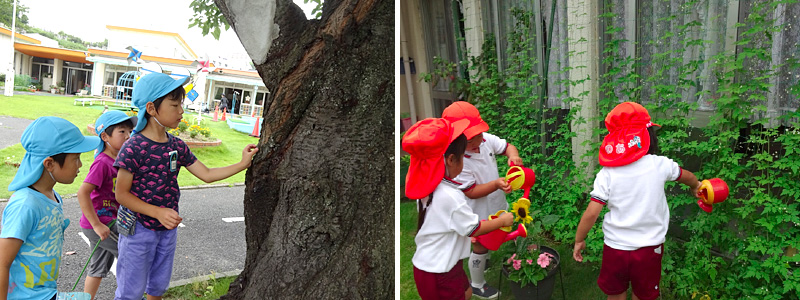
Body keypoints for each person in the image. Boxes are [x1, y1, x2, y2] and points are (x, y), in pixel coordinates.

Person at [113, 73, 258, 300]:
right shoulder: (133, 147)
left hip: (167, 231)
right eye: (175, 104)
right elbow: (121, 194)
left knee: (157, 286)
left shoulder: (177, 146)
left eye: (181, 104)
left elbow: (207, 174)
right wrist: (157, 212)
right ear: (151, 108)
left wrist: (242, 164)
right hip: (138, 231)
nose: (181, 110)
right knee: (129, 292)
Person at [572, 102, 702, 300]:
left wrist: (579, 239)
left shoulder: (608, 173)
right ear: (648, 137)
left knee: (616, 293)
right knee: (643, 296)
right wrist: (696, 186)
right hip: (650, 249)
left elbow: (592, 212)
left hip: (615, 248)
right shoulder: (659, 165)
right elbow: (686, 176)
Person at [402, 118, 514, 300]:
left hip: (435, 265)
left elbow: (449, 223)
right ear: (451, 160)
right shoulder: (450, 196)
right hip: (441, 271)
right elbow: (474, 228)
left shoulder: (428, 186)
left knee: (466, 292)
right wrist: (502, 221)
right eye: (462, 157)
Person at [0, 117, 100, 300]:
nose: (80, 165)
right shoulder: (25, 205)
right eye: (76, 158)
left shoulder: (53, 196)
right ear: (49, 164)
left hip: (45, 291)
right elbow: (2, 263)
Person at [442, 101, 522, 299]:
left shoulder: (485, 140)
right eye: (471, 139)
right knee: (480, 245)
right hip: (476, 211)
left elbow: (507, 147)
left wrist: (514, 156)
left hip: (494, 204)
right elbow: (471, 191)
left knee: (491, 238)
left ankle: (483, 262)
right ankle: (477, 284)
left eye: (479, 134)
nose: (478, 139)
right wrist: (495, 184)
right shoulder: (459, 161)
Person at [76, 111, 136, 299]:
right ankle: (130, 295)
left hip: (106, 223)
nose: (128, 136)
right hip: (100, 225)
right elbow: (82, 192)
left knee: (98, 268)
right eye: (122, 131)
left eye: (130, 131)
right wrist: (96, 225)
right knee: (131, 256)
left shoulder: (119, 161)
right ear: (105, 137)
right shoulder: (102, 162)